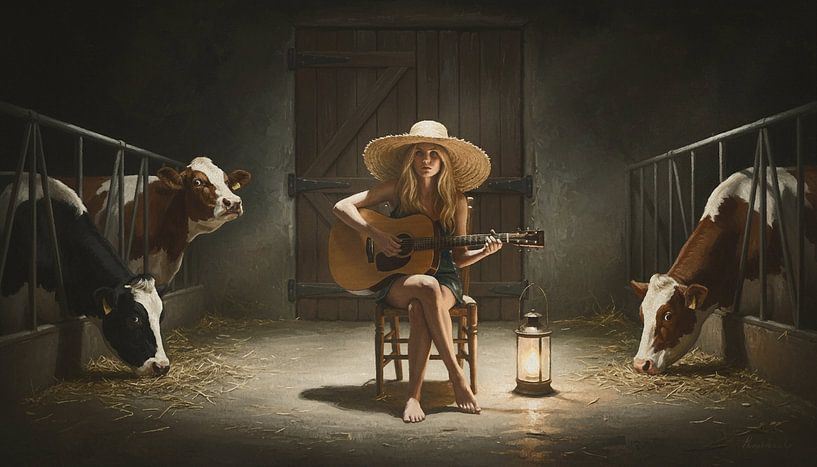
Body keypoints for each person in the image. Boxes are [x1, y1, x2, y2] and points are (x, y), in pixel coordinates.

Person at [333, 120, 501, 423]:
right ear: (411, 157)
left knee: (420, 305)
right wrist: (376, 234)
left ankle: (414, 396)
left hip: (446, 279)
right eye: (419, 153)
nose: (426, 160)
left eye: (433, 154)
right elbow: (341, 206)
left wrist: (483, 253)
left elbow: (459, 257)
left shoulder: (456, 200)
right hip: (398, 278)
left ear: (444, 159)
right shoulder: (396, 190)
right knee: (424, 287)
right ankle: (457, 378)